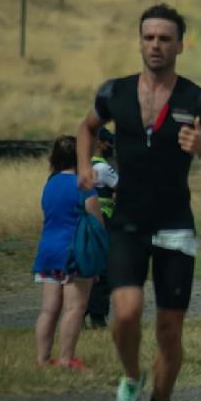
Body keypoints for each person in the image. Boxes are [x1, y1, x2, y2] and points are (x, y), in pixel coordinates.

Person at [76, 3, 201, 401]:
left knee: (169, 330)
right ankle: (131, 378)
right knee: (124, 313)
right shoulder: (115, 92)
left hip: (175, 225)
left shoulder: (196, 99)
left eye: (166, 38)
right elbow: (87, 129)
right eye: (149, 38)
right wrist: (85, 165)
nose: (156, 45)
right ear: (140, 41)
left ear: (180, 45)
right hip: (127, 221)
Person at [32, 135, 103, 368]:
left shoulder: (49, 184)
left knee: (48, 309)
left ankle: (42, 359)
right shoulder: (83, 186)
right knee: (74, 307)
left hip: (48, 251)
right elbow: (96, 223)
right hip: (74, 253)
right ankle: (66, 358)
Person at [84, 127, 118, 329]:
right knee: (104, 271)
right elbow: (123, 187)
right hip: (105, 221)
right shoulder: (104, 168)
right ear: (101, 143)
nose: (111, 146)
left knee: (86, 269)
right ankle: (98, 316)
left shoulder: (83, 166)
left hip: (84, 224)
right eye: (108, 142)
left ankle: (81, 312)